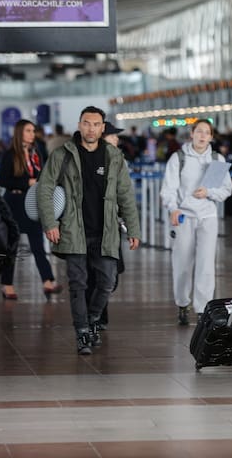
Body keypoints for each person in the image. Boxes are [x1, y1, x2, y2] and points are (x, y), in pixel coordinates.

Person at [37, 106, 141, 355]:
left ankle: (93, 319)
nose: (91, 128)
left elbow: (125, 194)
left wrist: (133, 229)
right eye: (86, 123)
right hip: (73, 230)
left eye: (96, 124)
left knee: (107, 282)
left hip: (105, 231)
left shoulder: (114, 156)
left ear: (102, 128)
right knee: (78, 284)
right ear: (79, 125)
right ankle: (82, 331)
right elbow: (45, 188)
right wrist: (50, 223)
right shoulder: (63, 154)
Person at [160, 119, 232, 325]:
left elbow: (225, 189)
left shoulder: (217, 159)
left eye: (206, 132)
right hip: (184, 216)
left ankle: (203, 309)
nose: (202, 136)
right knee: (182, 262)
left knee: (206, 264)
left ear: (211, 137)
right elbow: (169, 188)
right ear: (191, 134)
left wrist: (208, 192)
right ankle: (182, 303)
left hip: (208, 216)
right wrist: (173, 208)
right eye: (199, 131)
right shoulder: (179, 158)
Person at [0, 119, 63, 300]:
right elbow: (4, 180)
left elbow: (42, 174)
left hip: (32, 202)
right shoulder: (10, 154)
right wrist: (27, 182)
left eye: (33, 131)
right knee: (12, 245)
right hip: (13, 202)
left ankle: (48, 281)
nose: (32, 134)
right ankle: (7, 285)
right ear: (20, 133)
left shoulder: (36, 152)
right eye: (28, 130)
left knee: (37, 244)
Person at [85, 121, 127, 329]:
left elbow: (124, 193)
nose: (116, 139)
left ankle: (96, 316)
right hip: (92, 226)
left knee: (110, 277)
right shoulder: (89, 161)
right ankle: (95, 318)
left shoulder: (119, 160)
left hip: (112, 226)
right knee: (95, 275)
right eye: (113, 135)